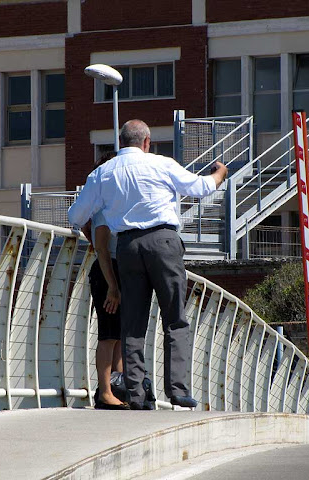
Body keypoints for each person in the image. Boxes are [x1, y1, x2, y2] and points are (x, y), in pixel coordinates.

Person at [69, 119, 228, 410]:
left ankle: (136, 393)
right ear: (146, 142)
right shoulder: (161, 164)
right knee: (174, 318)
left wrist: (95, 237)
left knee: (132, 323)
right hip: (163, 242)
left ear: (121, 142)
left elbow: (76, 216)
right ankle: (178, 391)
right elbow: (202, 187)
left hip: (128, 247)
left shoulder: (104, 173)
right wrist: (220, 173)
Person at [80, 152, 129, 410]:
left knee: (119, 334)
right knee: (109, 334)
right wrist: (112, 286)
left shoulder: (108, 203)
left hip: (114, 270)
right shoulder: (103, 206)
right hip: (107, 272)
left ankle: (117, 387)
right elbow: (100, 245)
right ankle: (106, 392)